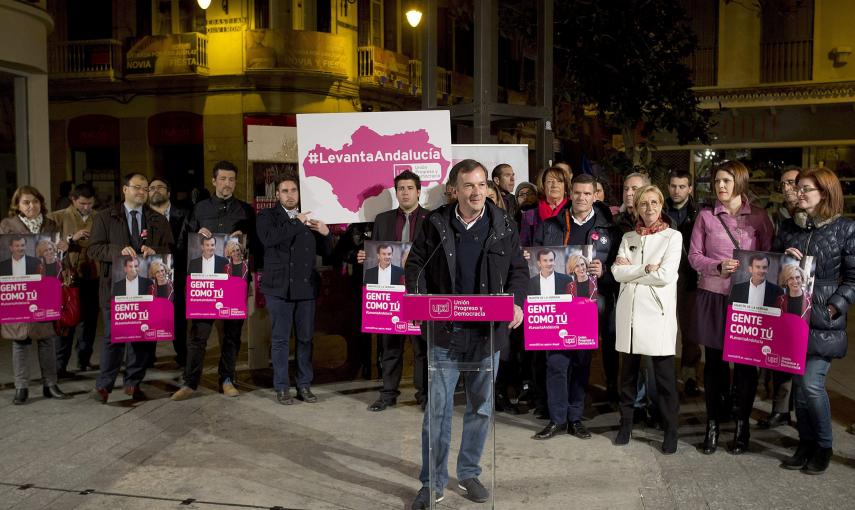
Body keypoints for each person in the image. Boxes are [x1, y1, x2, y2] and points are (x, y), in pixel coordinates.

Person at [406, 159, 527, 509]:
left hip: (486, 335)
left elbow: (519, 270)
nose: (476, 192)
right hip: (445, 332)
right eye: (469, 186)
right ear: (454, 190)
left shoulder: (504, 224)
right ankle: (432, 483)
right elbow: (416, 265)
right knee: (438, 410)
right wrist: (417, 299)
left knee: (481, 408)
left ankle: (470, 471)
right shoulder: (436, 223)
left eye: (481, 185)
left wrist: (516, 303)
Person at [688, 160, 774, 455]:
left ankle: (742, 426)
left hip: (748, 299)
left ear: (740, 182)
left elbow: (769, 259)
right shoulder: (706, 217)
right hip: (713, 295)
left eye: (726, 181)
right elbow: (694, 257)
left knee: (747, 366)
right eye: (717, 182)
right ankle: (712, 424)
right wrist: (717, 265)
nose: (721, 187)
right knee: (714, 365)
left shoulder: (760, 218)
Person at [776, 167, 855, 474]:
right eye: (799, 188)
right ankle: (805, 442)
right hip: (794, 318)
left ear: (825, 192)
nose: (800, 193)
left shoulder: (844, 229)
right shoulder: (789, 227)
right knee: (799, 386)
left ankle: (823, 445)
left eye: (807, 188)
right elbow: (775, 267)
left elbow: (852, 278)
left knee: (811, 384)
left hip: (824, 320)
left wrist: (834, 308)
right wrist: (785, 259)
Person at [531, 173, 621, 440]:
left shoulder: (609, 229)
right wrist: (531, 257)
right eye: (577, 193)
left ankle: (575, 417)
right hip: (555, 303)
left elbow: (619, 267)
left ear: (595, 195)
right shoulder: (550, 225)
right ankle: (557, 419)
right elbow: (537, 258)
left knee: (581, 363)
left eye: (587, 194)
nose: (581, 198)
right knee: (556, 363)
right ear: (571, 194)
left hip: (587, 304)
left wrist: (604, 270)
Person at [174, 161, 255, 400]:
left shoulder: (245, 210)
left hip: (233, 282)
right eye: (222, 179)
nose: (227, 184)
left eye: (231, 179)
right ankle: (190, 382)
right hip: (204, 282)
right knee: (198, 336)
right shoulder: (199, 209)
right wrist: (196, 237)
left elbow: (256, 246)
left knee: (231, 335)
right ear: (213, 180)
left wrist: (244, 237)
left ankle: (227, 379)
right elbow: (182, 245)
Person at [88, 173, 173, 403]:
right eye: (137, 187)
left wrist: (155, 250)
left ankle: (133, 382)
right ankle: (104, 386)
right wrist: (118, 251)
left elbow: (169, 249)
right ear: (124, 190)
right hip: (115, 288)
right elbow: (93, 249)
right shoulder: (106, 217)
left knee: (143, 335)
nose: (142, 192)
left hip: (146, 287)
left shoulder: (157, 220)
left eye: (145, 189)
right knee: (113, 337)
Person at [612, 185, 683, 454]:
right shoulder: (629, 236)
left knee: (664, 378)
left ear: (661, 205)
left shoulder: (672, 237)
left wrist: (631, 271)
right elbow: (617, 272)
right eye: (644, 204)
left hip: (657, 315)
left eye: (654, 203)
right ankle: (626, 424)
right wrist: (643, 269)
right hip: (629, 314)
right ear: (637, 207)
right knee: (627, 376)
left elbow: (665, 275)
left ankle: (670, 430)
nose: (649, 208)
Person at [257, 174, 331, 405]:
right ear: (277, 195)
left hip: (306, 288)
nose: (290, 195)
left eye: (294, 190)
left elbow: (326, 253)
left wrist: (327, 235)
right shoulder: (267, 216)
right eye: (285, 191)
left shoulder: (310, 218)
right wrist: (295, 222)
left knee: (305, 339)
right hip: (278, 288)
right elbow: (269, 239)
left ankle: (304, 385)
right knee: (279, 340)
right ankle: (282, 387)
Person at [358, 170, 430, 411]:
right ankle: (388, 394)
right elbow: (377, 254)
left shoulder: (432, 219)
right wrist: (366, 257)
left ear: (418, 191)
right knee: (390, 346)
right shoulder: (383, 220)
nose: (405, 192)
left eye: (410, 188)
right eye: (401, 189)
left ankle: (424, 396)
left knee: (422, 348)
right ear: (396, 192)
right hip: (389, 292)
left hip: (419, 291)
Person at [1, 186, 70, 404]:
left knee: (47, 338)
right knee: (19, 339)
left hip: (45, 285)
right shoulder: (8, 225)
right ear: (18, 205)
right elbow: (5, 254)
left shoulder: (50, 224)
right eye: (26, 202)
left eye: (35, 202)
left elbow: (56, 256)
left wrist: (63, 247)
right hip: (19, 286)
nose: (32, 206)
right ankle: (22, 387)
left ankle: (51, 384)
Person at [758, 167, 801, 428]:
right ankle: (781, 409)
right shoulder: (783, 221)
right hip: (785, 293)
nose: (787, 189)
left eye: (792, 183)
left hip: (809, 296)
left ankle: (801, 411)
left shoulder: (821, 219)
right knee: (783, 353)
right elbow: (774, 254)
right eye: (783, 184)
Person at [49, 183, 98, 374]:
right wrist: (71, 238)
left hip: (93, 275)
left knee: (90, 320)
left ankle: (84, 360)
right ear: (73, 200)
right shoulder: (58, 216)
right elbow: (46, 242)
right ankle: (59, 366)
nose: (86, 207)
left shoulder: (99, 217)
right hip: (69, 277)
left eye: (90, 203)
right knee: (67, 320)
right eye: (83, 203)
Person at [664, 170, 701, 397]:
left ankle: (689, 376)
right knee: (665, 329)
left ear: (690, 189)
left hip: (689, 278)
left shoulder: (699, 214)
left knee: (690, 331)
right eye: (673, 186)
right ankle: (666, 376)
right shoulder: (660, 210)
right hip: (664, 277)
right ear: (668, 187)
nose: (677, 191)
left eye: (682, 186)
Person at [148, 177, 189, 368]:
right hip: (150, 272)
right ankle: (147, 357)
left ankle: (182, 354)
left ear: (169, 192)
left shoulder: (184, 214)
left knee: (178, 315)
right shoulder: (140, 216)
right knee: (151, 314)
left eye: (160, 187)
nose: (156, 190)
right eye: (152, 188)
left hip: (178, 272)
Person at [519, 165, 572, 247]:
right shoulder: (530, 215)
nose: (554, 185)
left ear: (565, 186)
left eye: (559, 181)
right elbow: (524, 244)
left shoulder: (573, 211)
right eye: (550, 181)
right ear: (543, 186)